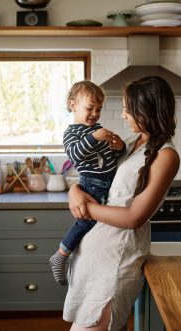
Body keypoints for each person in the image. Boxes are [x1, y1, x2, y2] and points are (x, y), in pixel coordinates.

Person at [63, 76, 180, 331]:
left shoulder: (166, 155)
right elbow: (97, 175)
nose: (123, 114)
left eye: (128, 108)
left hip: (114, 262)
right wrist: (75, 189)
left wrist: (85, 206)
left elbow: (134, 217)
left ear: (146, 109)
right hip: (92, 257)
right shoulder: (130, 142)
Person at [49, 80, 126, 286]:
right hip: (92, 183)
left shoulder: (98, 128)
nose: (95, 113)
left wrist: (119, 146)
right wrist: (94, 137)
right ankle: (61, 254)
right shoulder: (71, 133)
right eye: (89, 108)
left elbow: (114, 155)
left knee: (99, 227)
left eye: (98, 109)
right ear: (73, 105)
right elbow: (76, 154)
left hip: (106, 182)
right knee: (87, 221)